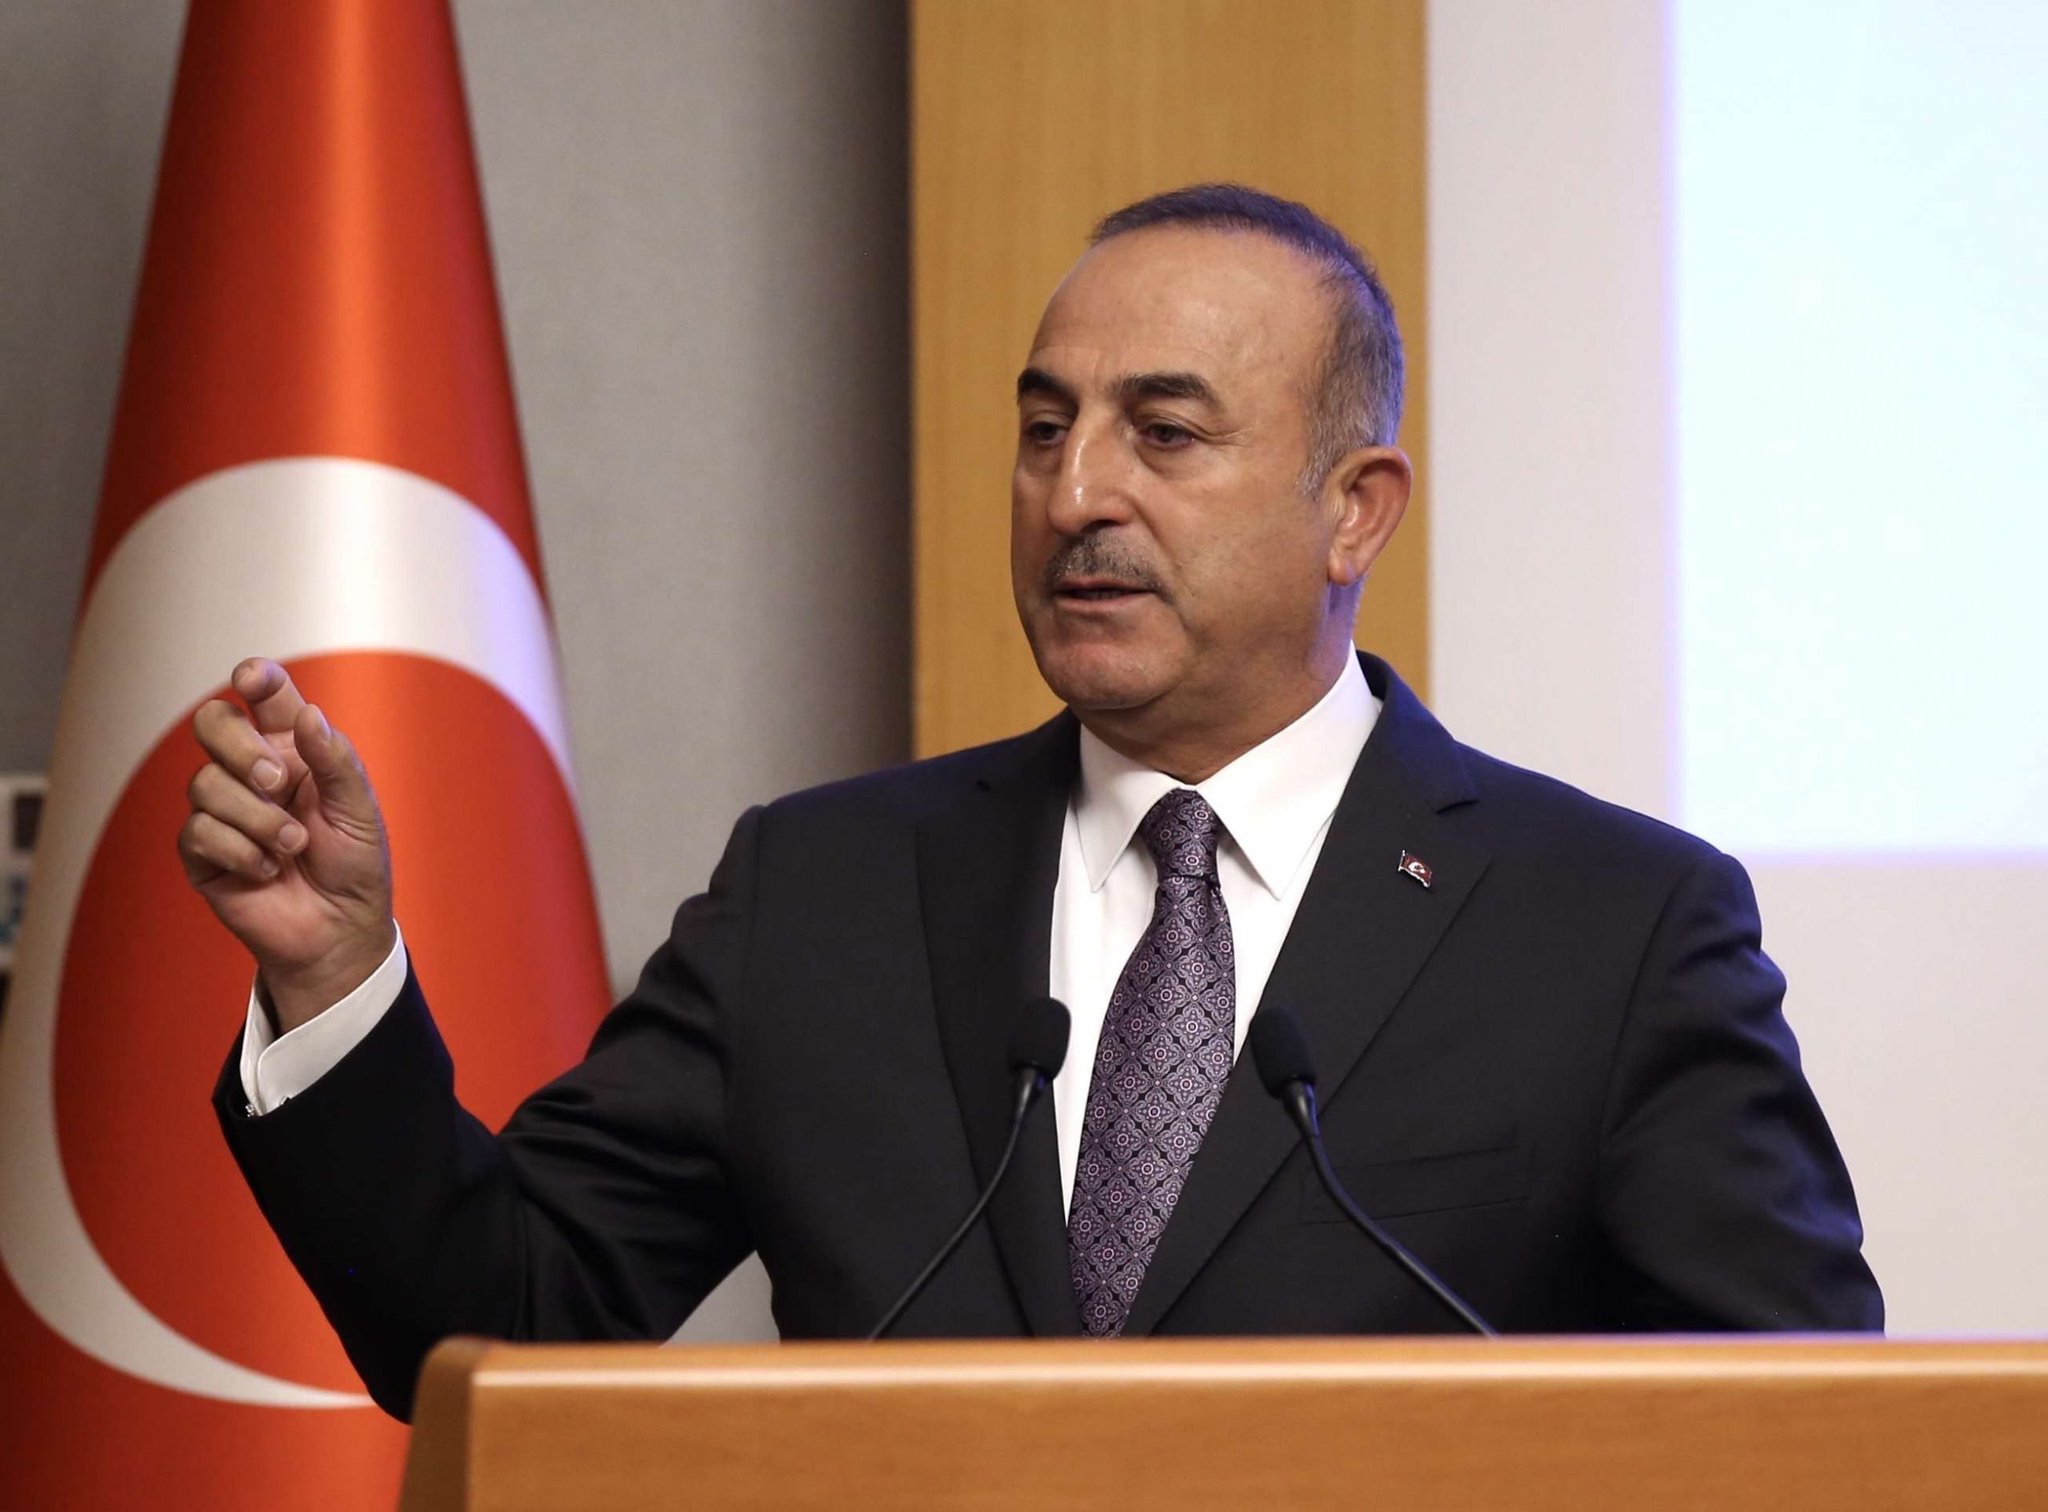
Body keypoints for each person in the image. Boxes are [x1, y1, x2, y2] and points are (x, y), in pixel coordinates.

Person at [180, 184, 1882, 1419]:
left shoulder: (1611, 928)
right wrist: (335, 984)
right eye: (1045, 428)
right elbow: (500, 1326)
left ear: (1354, 509)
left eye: (1165, 435)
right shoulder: (820, 894)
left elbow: (1804, 1436)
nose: (1076, 497)